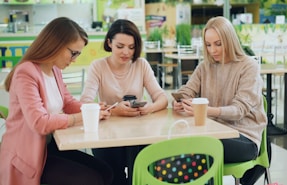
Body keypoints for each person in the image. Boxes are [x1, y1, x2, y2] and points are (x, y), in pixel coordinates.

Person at [0, 17, 113, 185]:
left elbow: (67, 103)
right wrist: (81, 117)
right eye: (73, 53)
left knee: (105, 171)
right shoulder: (27, 73)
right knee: (92, 179)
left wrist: (95, 108)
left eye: (78, 54)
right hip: (27, 154)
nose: (74, 59)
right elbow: (39, 122)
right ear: (55, 44)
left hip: (48, 147)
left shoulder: (55, 70)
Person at [172, 16, 268, 185]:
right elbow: (188, 90)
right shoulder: (204, 67)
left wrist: (205, 111)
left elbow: (239, 110)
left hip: (245, 137)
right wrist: (181, 100)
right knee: (184, 146)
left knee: (201, 149)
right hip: (212, 132)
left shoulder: (248, 66)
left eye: (218, 44)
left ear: (230, 41)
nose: (213, 50)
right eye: (208, 45)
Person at [80, 19, 168, 185]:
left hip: (138, 133)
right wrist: (114, 111)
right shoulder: (98, 66)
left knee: (140, 175)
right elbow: (85, 103)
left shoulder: (141, 64)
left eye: (131, 47)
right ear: (109, 43)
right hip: (107, 136)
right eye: (120, 46)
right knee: (113, 177)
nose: (126, 52)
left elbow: (162, 98)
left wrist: (149, 108)